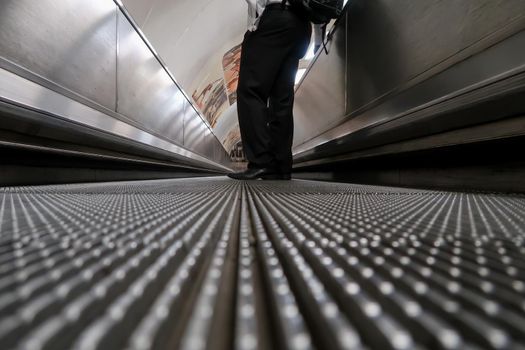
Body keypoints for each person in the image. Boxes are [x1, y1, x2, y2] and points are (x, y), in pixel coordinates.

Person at [228, 0, 312, 180]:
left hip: (276, 17)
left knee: (251, 90)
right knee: (281, 97)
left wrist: (256, 22)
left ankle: (261, 162)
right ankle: (281, 166)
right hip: (302, 26)